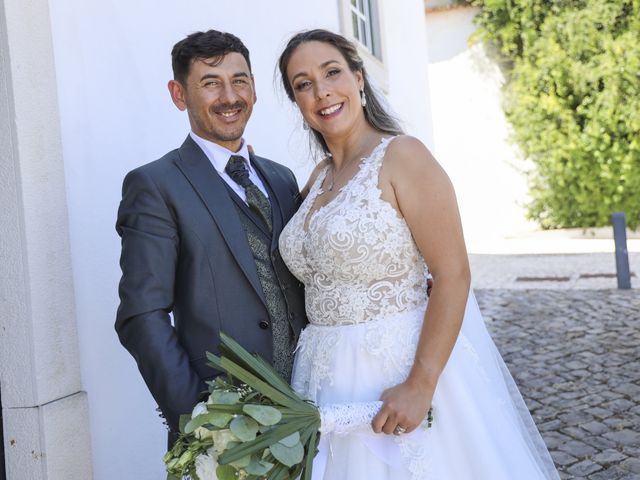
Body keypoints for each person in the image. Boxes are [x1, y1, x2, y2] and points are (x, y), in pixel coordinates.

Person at [277, 29, 560, 479]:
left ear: (359, 78)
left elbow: (453, 273)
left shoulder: (404, 156)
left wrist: (421, 384)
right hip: (321, 380)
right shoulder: (315, 179)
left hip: (395, 370)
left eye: (332, 73)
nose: (322, 91)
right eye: (303, 83)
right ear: (297, 102)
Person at [115, 30, 306, 445]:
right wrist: (202, 419)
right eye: (210, 83)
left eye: (239, 80)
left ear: (253, 88)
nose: (229, 96)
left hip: (309, 411)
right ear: (178, 94)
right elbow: (141, 316)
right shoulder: (156, 185)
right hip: (225, 430)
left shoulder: (281, 178)